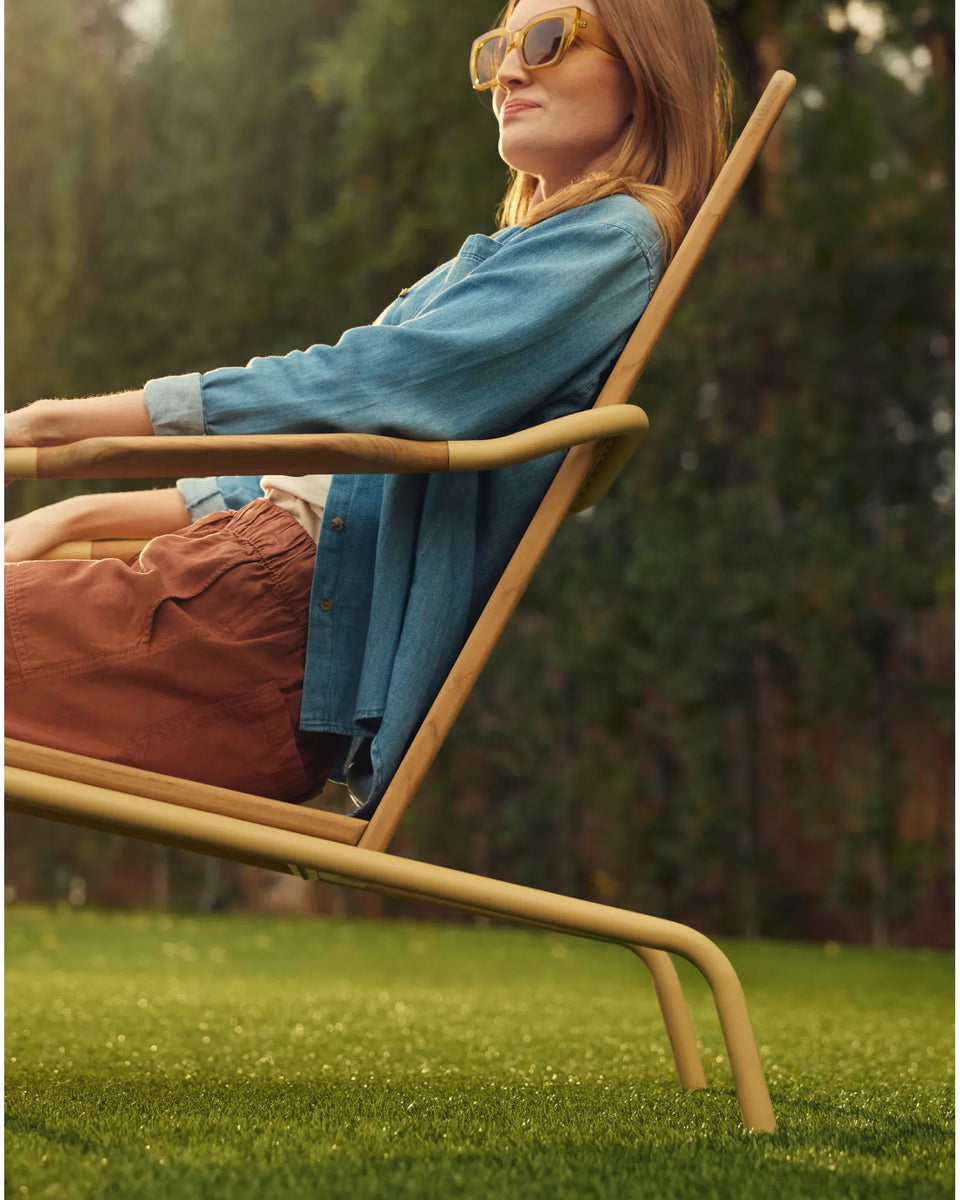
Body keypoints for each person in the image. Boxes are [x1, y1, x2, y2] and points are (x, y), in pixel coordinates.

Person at [5, 0, 729, 813]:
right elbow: (321, 474)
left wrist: (56, 424)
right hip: (235, 597)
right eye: (496, 47)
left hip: (253, 636)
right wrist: (73, 515)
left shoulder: (613, 241)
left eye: (548, 40)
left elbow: (359, 388)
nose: (509, 70)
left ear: (646, 72)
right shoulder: (510, 265)